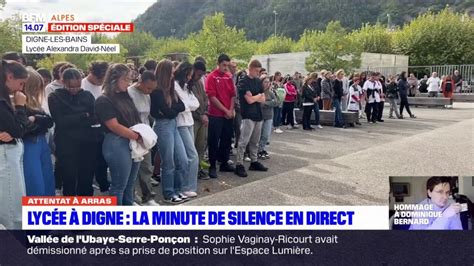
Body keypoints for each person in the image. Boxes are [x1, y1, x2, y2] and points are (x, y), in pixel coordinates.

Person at [95, 64, 142, 205]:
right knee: (119, 184)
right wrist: (137, 136)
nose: (128, 83)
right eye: (125, 79)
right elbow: (113, 126)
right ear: (114, 79)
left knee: (129, 183)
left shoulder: (125, 96)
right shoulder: (104, 100)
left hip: (131, 141)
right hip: (116, 142)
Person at [49, 68, 101, 197]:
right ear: (63, 82)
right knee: (69, 178)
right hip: (66, 144)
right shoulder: (55, 96)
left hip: (87, 143)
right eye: (71, 87)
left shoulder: (87, 95)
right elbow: (60, 121)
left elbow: (95, 117)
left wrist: (74, 118)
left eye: (77, 86)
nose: (74, 90)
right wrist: (84, 115)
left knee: (86, 177)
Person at [150, 59, 188, 203]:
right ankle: (168, 193)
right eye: (171, 72)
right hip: (162, 126)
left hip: (172, 125)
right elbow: (169, 112)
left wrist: (172, 109)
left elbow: (181, 106)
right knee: (169, 162)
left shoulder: (170, 89)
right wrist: (173, 109)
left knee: (182, 160)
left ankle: (178, 189)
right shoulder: (157, 91)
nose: (173, 75)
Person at [0, 60, 29, 229]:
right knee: (12, 208)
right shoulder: (3, 101)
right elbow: (19, 129)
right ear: (9, 77)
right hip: (5, 153)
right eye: (20, 83)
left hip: (10, 151)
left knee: (14, 204)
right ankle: (14, 251)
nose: (20, 88)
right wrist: (20, 107)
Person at [128, 70, 159, 206]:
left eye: (153, 89)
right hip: (133, 133)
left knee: (146, 167)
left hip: (145, 134)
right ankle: (132, 196)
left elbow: (147, 114)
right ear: (140, 82)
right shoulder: (129, 93)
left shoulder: (148, 95)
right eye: (148, 88)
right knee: (132, 169)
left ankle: (148, 196)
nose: (150, 91)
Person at [22, 68, 55, 196]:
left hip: (39, 142)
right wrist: (39, 122)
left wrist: (36, 119)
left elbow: (49, 121)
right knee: (35, 183)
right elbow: (25, 126)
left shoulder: (35, 103)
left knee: (46, 180)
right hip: (30, 144)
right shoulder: (19, 104)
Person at [234, 59, 268, 177]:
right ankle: (239, 163)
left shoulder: (258, 82)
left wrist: (256, 96)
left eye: (259, 71)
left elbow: (263, 99)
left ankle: (254, 161)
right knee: (243, 140)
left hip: (258, 114)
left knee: (255, 141)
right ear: (251, 69)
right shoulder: (243, 81)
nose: (258, 73)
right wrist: (258, 96)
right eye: (257, 71)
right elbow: (248, 100)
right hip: (247, 115)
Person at [205, 54, 236, 179]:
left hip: (228, 114)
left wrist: (231, 109)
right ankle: (212, 165)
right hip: (215, 114)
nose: (226, 68)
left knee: (227, 139)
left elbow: (233, 94)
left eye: (227, 65)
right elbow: (212, 97)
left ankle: (224, 162)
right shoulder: (211, 77)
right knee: (213, 140)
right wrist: (225, 110)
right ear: (218, 64)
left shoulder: (228, 77)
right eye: (224, 65)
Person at [82, 61, 110, 193]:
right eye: (100, 79)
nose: (101, 82)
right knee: (89, 162)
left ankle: (103, 182)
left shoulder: (103, 86)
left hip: (102, 128)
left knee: (102, 160)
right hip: (87, 131)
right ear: (92, 73)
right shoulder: (82, 85)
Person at [174, 62, 200, 198]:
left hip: (188, 121)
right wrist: (187, 105)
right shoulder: (174, 86)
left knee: (190, 156)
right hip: (180, 124)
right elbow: (181, 105)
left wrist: (186, 105)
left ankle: (189, 186)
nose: (190, 78)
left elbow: (196, 103)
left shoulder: (186, 87)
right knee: (191, 156)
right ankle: (186, 187)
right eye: (188, 75)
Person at [191, 61, 210, 180]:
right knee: (191, 147)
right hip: (193, 119)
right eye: (198, 74)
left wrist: (205, 113)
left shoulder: (198, 83)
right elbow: (190, 104)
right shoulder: (187, 83)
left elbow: (204, 98)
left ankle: (198, 169)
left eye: (201, 75)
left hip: (202, 118)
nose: (199, 77)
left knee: (200, 145)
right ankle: (192, 171)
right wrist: (200, 115)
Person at [258, 75, 277, 159]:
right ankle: (258, 150)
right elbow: (259, 104)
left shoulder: (271, 92)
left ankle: (262, 149)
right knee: (259, 135)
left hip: (269, 116)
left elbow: (276, 102)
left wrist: (266, 103)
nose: (267, 84)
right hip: (260, 116)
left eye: (268, 82)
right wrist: (269, 103)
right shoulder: (258, 92)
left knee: (266, 135)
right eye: (265, 82)